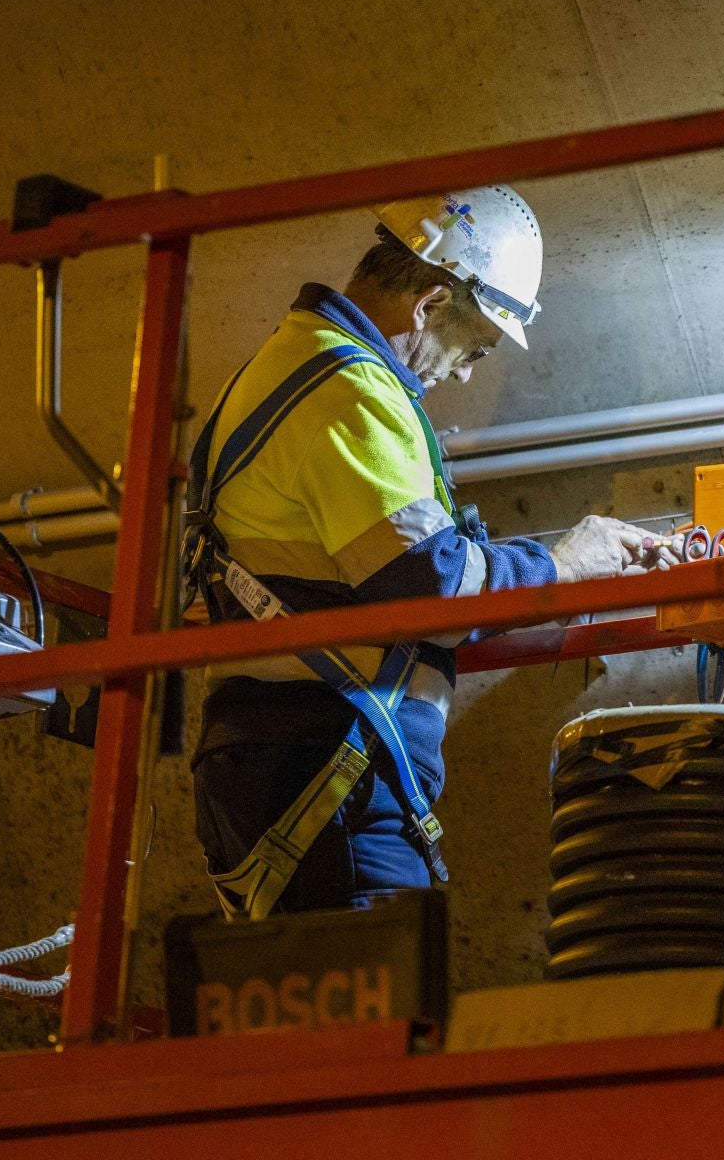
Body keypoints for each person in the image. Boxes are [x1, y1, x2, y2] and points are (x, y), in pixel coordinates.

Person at [180, 185, 675, 919]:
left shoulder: (286, 367)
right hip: (323, 769)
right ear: (429, 306)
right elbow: (428, 584)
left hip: (286, 763)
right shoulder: (350, 388)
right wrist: (562, 565)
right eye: (476, 347)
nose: (468, 373)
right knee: (377, 1018)